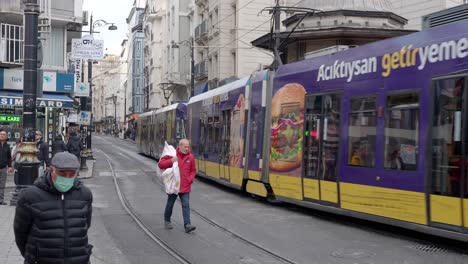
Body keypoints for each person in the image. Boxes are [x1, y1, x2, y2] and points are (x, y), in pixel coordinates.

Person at [14, 152, 93, 264]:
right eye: (62, 173)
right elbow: (20, 233)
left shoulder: (84, 194)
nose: (67, 178)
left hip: (78, 259)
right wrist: (33, 256)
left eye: (72, 174)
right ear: (51, 170)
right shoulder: (30, 196)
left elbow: (85, 225)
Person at [158, 139, 197, 233]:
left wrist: (190, 179)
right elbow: (161, 165)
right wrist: (171, 161)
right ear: (180, 146)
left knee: (186, 205)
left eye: (188, 147)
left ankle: (187, 224)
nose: (187, 148)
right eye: (185, 146)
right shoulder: (172, 154)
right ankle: (167, 220)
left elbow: (193, 170)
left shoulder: (191, 157)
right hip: (174, 185)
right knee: (170, 203)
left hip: (185, 186)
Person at [0, 130, 13, 205]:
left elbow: (9, 157)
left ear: (6, 136)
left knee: (2, 185)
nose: (2, 135)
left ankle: (1, 200)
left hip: (3, 168)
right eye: (1, 134)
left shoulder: (7, 146)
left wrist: (10, 166)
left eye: (3, 134)